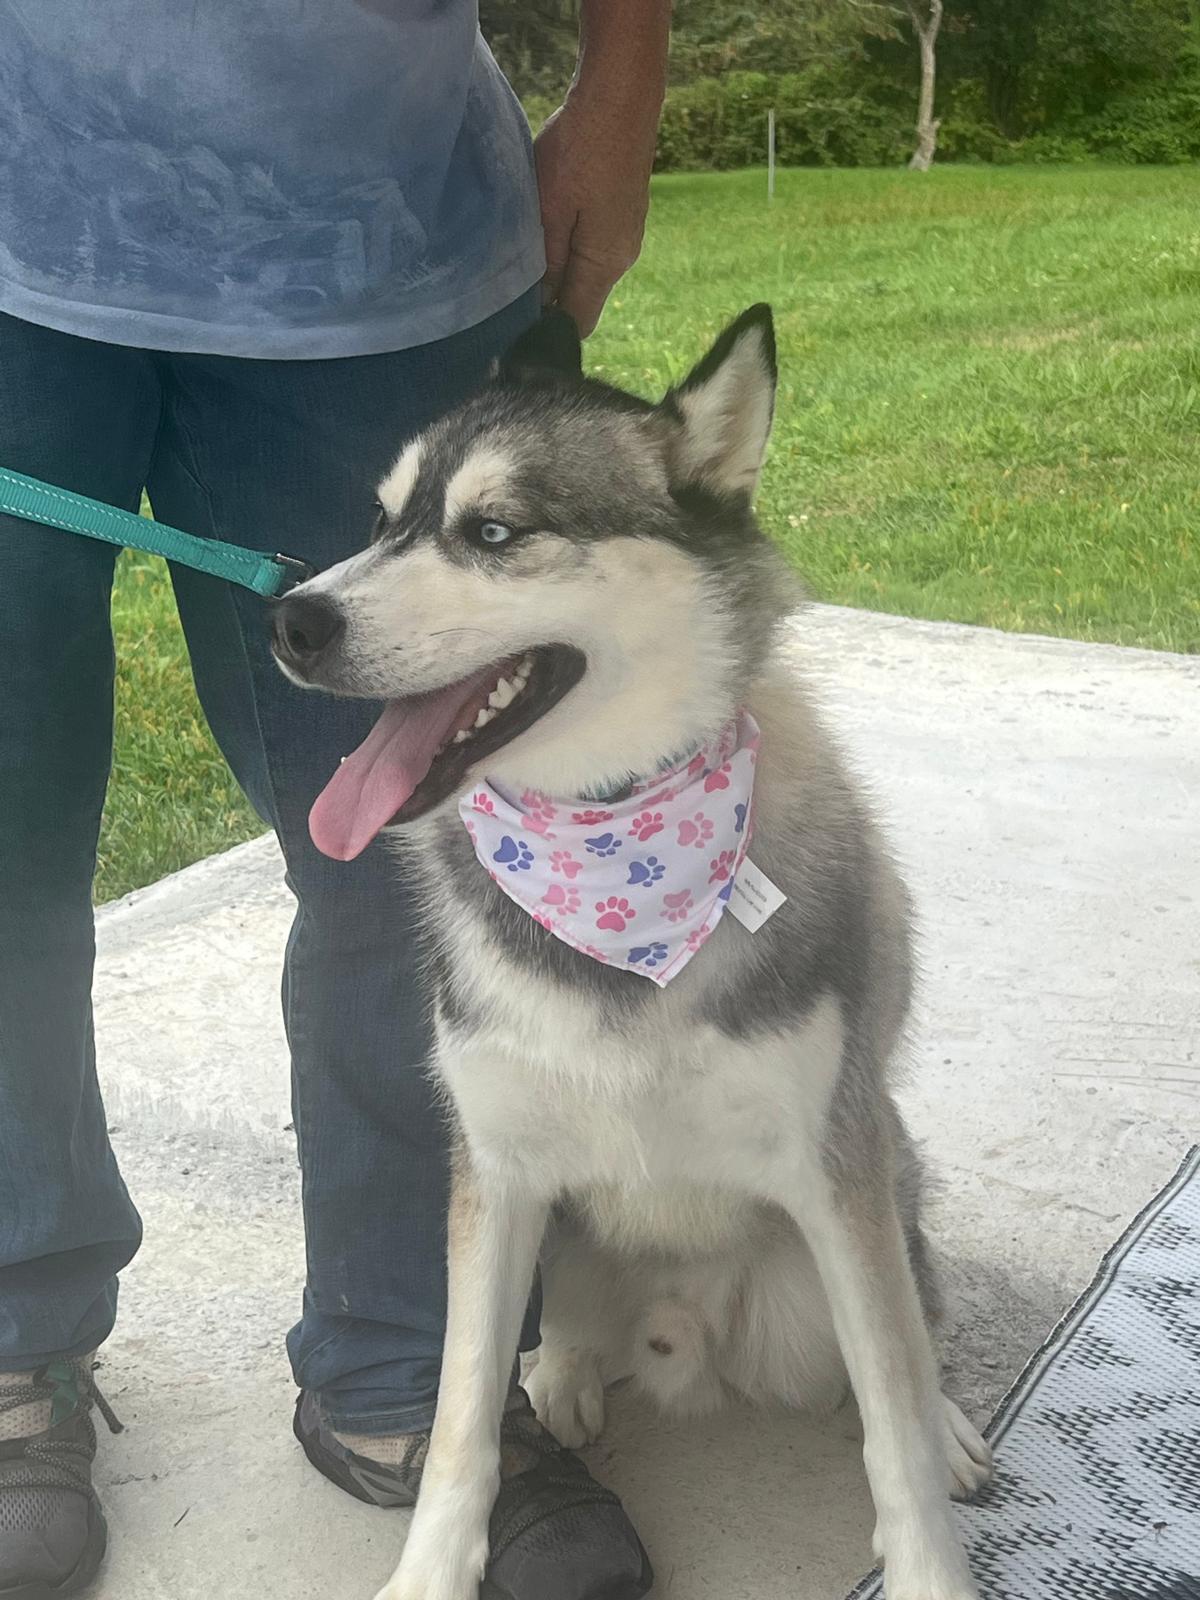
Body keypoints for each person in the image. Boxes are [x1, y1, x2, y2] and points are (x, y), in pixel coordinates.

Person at [0, 4, 669, 1595]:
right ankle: (11, 1332)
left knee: (426, 860)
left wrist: (623, 85)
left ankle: (416, 1366)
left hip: (381, 241)